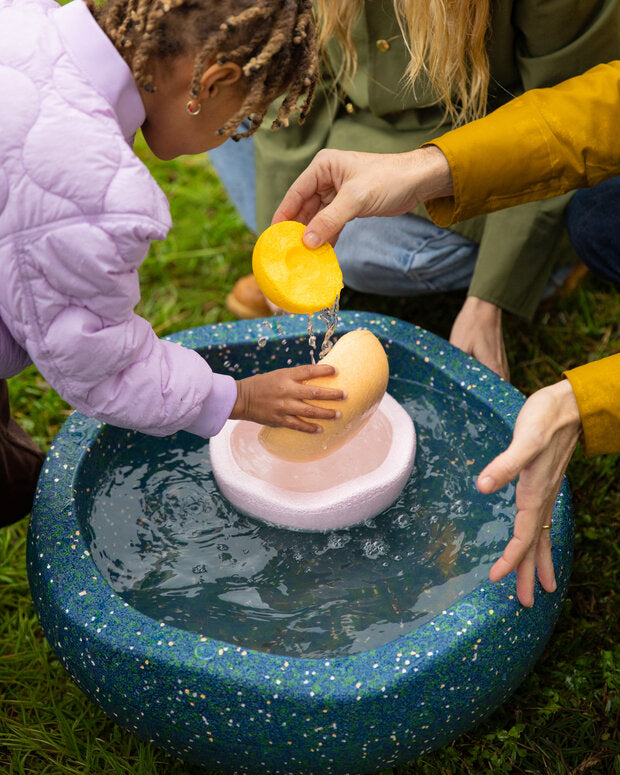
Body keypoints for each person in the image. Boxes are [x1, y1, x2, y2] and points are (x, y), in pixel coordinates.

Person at [270, 59, 620, 608]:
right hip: (396, 137)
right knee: (601, 217)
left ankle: (547, 263)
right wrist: (429, 169)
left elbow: (553, 75)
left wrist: (582, 404)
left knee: (590, 219)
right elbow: (603, 103)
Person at [0, 0, 346, 528]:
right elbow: (102, 366)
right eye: (244, 115)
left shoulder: (21, 15)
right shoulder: (91, 194)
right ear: (211, 81)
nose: (236, 133)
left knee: (18, 479)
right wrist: (237, 396)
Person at [213, 0, 619, 382]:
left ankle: (550, 263)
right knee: (220, 107)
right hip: (347, 127)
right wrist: (281, 251)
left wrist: (490, 300)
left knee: (365, 253)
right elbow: (294, 81)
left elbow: (567, 126)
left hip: (481, 142)